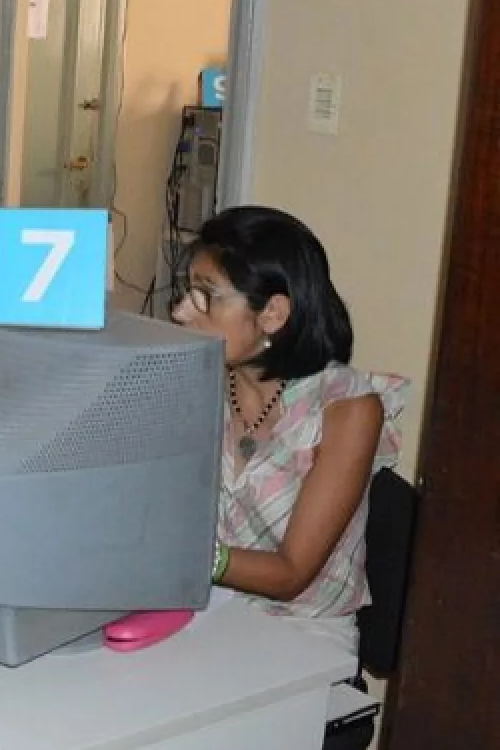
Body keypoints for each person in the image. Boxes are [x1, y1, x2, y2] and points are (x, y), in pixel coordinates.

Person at [171, 205, 407, 651]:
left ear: (273, 314)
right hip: (207, 610)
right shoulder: (201, 385)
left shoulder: (347, 408)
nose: (182, 312)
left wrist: (179, 554)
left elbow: (291, 574)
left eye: (206, 295)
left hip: (304, 635)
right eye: (187, 292)